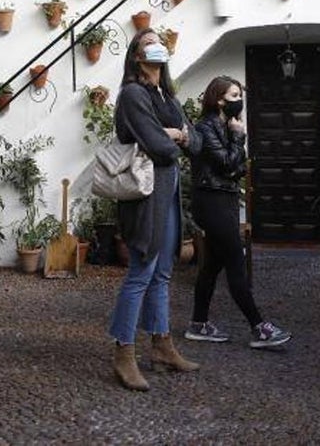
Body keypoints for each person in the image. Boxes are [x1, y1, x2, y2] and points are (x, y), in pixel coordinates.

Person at [107, 28, 201, 391]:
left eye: (160, 41)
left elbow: (197, 141)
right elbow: (162, 148)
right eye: (148, 42)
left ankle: (161, 345)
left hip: (169, 193)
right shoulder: (132, 94)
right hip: (147, 196)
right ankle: (123, 352)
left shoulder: (168, 96)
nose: (156, 45)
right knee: (141, 271)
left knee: (163, 273)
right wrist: (175, 136)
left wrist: (176, 133)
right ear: (135, 56)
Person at [185, 75, 291, 349]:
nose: (239, 101)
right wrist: (238, 138)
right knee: (235, 262)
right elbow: (228, 164)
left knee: (212, 266)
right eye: (234, 96)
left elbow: (238, 168)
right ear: (218, 99)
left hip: (224, 199)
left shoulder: (224, 126)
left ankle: (198, 324)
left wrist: (234, 152)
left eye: (239, 95)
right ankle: (259, 328)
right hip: (212, 201)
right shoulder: (206, 128)